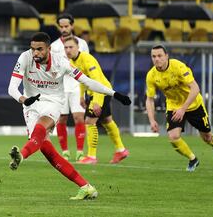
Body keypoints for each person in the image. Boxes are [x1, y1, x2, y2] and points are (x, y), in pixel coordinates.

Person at [7, 32, 131, 200]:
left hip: (53, 102)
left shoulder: (62, 62)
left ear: (49, 49)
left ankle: (21, 155)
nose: (35, 53)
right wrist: (23, 99)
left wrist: (114, 94)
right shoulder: (25, 57)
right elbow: (12, 87)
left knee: (41, 127)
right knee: (48, 152)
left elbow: (87, 81)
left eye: (39, 49)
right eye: (33, 49)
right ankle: (86, 187)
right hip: (30, 104)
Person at [145, 44, 213, 172]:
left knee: (207, 137)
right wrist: (152, 120)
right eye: (153, 56)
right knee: (173, 136)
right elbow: (149, 99)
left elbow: (195, 88)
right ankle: (193, 159)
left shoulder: (178, 66)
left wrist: (183, 108)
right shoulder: (151, 76)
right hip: (173, 106)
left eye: (159, 56)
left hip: (193, 104)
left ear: (166, 56)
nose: (156, 59)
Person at [63, 37, 131, 165]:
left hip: (101, 93)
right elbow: (83, 79)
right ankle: (121, 150)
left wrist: (96, 102)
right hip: (96, 93)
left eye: (71, 47)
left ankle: (91, 156)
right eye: (66, 47)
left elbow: (97, 81)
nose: (68, 50)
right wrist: (82, 96)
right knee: (107, 121)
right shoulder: (72, 61)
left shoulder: (87, 59)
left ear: (78, 48)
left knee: (89, 122)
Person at [51, 13, 89, 162]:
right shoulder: (54, 46)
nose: (64, 29)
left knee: (79, 117)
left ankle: (80, 151)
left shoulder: (82, 43)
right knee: (61, 119)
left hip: (77, 85)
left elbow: (87, 64)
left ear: (72, 26)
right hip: (61, 86)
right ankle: (65, 151)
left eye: (66, 26)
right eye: (61, 27)